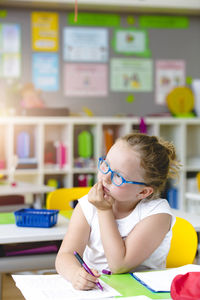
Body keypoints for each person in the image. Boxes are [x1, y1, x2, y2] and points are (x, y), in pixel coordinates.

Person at [55, 132, 181, 290]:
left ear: (143, 192)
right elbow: (65, 255)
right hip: (98, 292)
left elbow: (119, 265)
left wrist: (104, 210)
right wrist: (75, 274)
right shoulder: (87, 206)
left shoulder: (157, 213)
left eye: (118, 176)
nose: (105, 178)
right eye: (106, 165)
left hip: (143, 293)